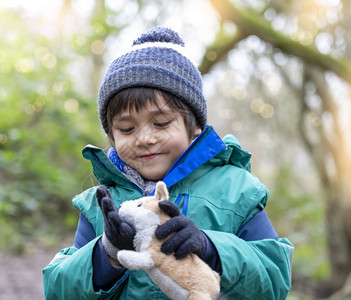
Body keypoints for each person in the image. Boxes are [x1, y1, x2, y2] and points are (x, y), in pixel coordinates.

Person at [42, 27, 293, 299]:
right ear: (112, 136)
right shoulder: (99, 205)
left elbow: (275, 279)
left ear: (194, 124)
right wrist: (106, 255)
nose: (144, 138)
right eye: (126, 129)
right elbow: (58, 290)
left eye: (160, 123)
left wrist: (211, 248)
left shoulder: (237, 191)